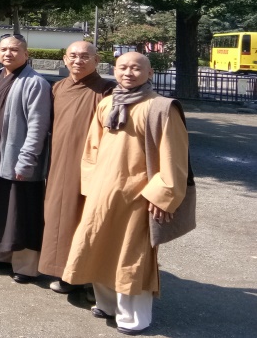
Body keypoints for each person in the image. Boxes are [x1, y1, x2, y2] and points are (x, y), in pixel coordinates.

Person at [63, 53, 190, 335]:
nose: (128, 73)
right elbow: (92, 148)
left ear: (150, 73)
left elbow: (175, 157)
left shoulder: (161, 108)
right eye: (122, 67)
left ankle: (133, 317)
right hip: (103, 190)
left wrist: (163, 195)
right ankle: (106, 304)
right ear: (114, 70)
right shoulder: (107, 103)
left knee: (132, 255)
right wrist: (90, 186)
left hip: (139, 194)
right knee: (98, 245)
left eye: (136, 68)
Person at [40, 42, 116, 292]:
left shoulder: (107, 90)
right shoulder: (58, 88)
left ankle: (89, 279)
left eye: (85, 56)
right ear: (64, 59)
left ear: (97, 60)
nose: (78, 61)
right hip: (59, 163)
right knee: (58, 218)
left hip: (91, 167)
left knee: (87, 219)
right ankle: (63, 273)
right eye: (73, 56)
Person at [0, 34, 51, 283]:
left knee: (22, 208)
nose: (8, 54)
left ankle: (26, 265)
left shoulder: (35, 83)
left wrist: (27, 159)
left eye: (14, 50)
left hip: (17, 155)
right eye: (3, 49)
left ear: (26, 54)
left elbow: (38, 126)